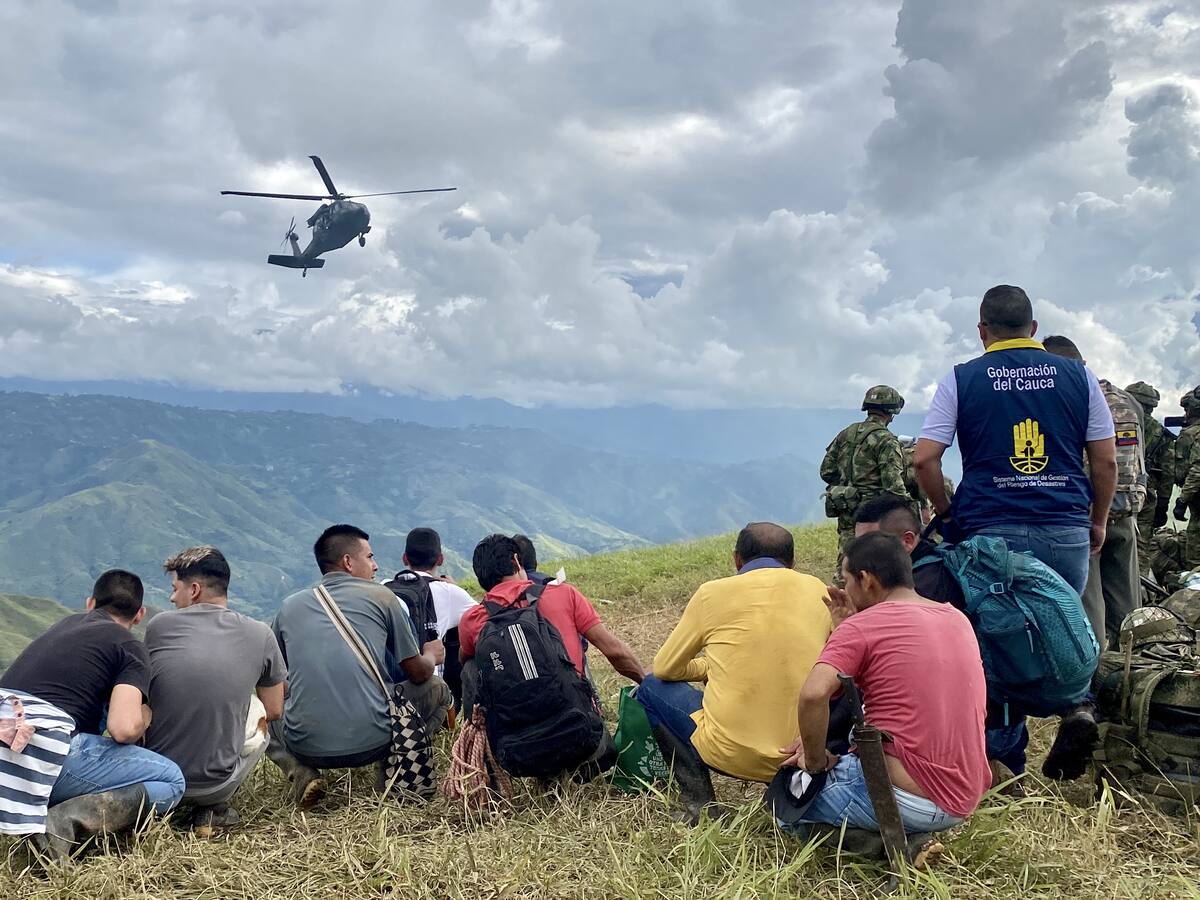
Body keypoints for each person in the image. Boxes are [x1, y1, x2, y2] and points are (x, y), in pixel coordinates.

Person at [913, 285, 1116, 781]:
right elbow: (1105, 459)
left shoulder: (962, 378)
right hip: (1063, 524)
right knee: (1065, 619)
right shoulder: (1078, 376)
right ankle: (1078, 708)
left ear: (982, 331)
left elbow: (924, 458)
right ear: (1034, 330)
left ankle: (1004, 757)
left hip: (989, 531)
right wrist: (1098, 519)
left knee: (996, 637)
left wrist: (948, 510)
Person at [770, 533, 990, 837]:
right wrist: (845, 629)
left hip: (906, 798)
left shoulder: (864, 626)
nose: (845, 589)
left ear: (867, 579)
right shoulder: (955, 618)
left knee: (782, 807)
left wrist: (815, 759)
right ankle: (906, 834)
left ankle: (891, 844)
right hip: (965, 797)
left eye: (847, 580)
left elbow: (813, 695)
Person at [638, 523, 832, 819]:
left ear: (737, 559)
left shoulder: (711, 594)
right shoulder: (818, 589)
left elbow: (665, 668)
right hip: (805, 751)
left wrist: (706, 668)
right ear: (792, 563)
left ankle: (700, 806)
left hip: (729, 753)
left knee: (652, 687)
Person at [0, 570, 185, 858]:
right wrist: (144, 717)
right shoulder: (128, 646)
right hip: (40, 753)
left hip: (6, 752)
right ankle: (65, 822)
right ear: (139, 615)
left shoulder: (64, 626)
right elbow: (123, 729)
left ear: (90, 603)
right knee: (172, 780)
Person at [267, 525, 452, 807]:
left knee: (261, 707)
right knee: (436, 688)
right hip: (374, 741)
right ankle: (394, 771)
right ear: (348, 562)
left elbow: (276, 678)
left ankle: (301, 772)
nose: (375, 565)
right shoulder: (383, 597)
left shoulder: (289, 606)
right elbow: (417, 673)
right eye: (369, 556)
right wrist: (431, 655)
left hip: (304, 743)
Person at [458, 534, 644, 776]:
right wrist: (648, 684)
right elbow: (614, 652)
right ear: (517, 561)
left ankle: (487, 769)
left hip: (517, 754)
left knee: (471, 665)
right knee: (573, 654)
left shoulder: (472, 621)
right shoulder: (563, 594)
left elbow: (465, 664)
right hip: (583, 738)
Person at [144, 547, 286, 836]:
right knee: (258, 711)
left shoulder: (159, 626)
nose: (172, 598)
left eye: (175, 589)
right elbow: (274, 710)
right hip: (215, 784)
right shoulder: (260, 633)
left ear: (194, 590)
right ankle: (213, 810)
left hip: (154, 777)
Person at [1042, 337, 1145, 649]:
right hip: (1127, 510)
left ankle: (1098, 678)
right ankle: (1137, 673)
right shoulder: (1127, 400)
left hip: (1086, 514)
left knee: (1090, 611)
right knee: (1128, 606)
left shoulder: (1066, 398)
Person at [820, 385, 910, 579]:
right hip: (872, 513)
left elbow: (826, 471)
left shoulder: (846, 433)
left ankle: (843, 593)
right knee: (873, 564)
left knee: (847, 553)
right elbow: (892, 485)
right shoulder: (886, 440)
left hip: (844, 505)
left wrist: (848, 487)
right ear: (892, 412)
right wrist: (909, 505)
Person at [402, 527, 476, 704]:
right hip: (430, 694)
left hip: (387, 691)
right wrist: (457, 589)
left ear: (405, 558)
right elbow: (482, 619)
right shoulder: (448, 592)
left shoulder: (384, 588)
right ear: (440, 559)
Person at [853, 495, 963, 608]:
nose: (859, 553)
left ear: (907, 541)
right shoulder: (917, 570)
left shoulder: (920, 588)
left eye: (869, 544)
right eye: (858, 544)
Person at [1125, 382, 1176, 578]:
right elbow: (1167, 474)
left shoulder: (1114, 421)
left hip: (1114, 492)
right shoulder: (1163, 436)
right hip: (1147, 495)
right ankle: (1141, 593)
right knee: (1141, 546)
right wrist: (1163, 506)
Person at [1174, 386, 1200, 572]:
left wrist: (1182, 499)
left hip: (1196, 498)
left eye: (1187, 409)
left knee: (1195, 550)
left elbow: (1198, 469)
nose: (1185, 413)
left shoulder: (1194, 433)